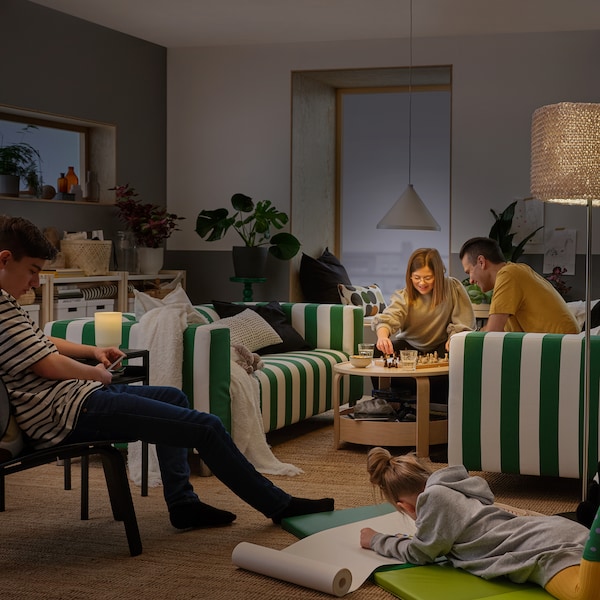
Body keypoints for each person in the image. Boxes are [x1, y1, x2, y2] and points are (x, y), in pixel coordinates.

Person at [0, 215, 334, 530]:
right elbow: (45, 363)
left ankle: (182, 503)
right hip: (68, 414)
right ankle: (279, 505)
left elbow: (40, 341)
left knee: (173, 395)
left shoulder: (8, 302)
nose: (35, 281)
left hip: (77, 401)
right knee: (207, 426)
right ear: (4, 260)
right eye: (31, 270)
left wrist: (92, 352)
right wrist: (95, 374)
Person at [360, 447, 600, 600]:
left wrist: (376, 540)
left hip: (542, 552)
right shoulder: (457, 489)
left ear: (405, 507)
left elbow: (419, 553)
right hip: (557, 530)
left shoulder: (434, 501)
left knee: (586, 594)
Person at [459, 237, 579, 334]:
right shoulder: (515, 272)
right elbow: (502, 332)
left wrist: (463, 340)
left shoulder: (508, 274)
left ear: (481, 262)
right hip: (560, 345)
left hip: (562, 348)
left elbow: (492, 333)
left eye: (469, 272)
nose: (470, 281)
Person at [372, 248, 475, 356]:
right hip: (409, 345)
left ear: (438, 275)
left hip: (442, 345)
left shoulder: (453, 287)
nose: (422, 283)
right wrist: (383, 337)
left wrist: (454, 339)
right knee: (376, 352)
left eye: (428, 278)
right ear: (410, 276)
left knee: (458, 350)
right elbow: (388, 318)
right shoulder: (404, 296)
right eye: (417, 277)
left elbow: (463, 323)